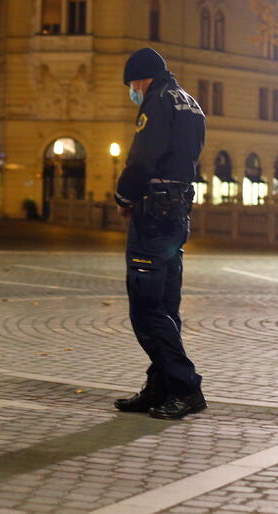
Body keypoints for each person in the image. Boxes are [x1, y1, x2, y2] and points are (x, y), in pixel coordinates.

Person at [112, 47, 207, 420]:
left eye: (131, 85)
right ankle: (160, 386)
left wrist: (123, 196)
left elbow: (143, 158)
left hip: (152, 214)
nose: (132, 92)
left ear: (140, 79)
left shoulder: (157, 102)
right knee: (166, 306)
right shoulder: (191, 103)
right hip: (178, 211)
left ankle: (186, 388)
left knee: (146, 308)